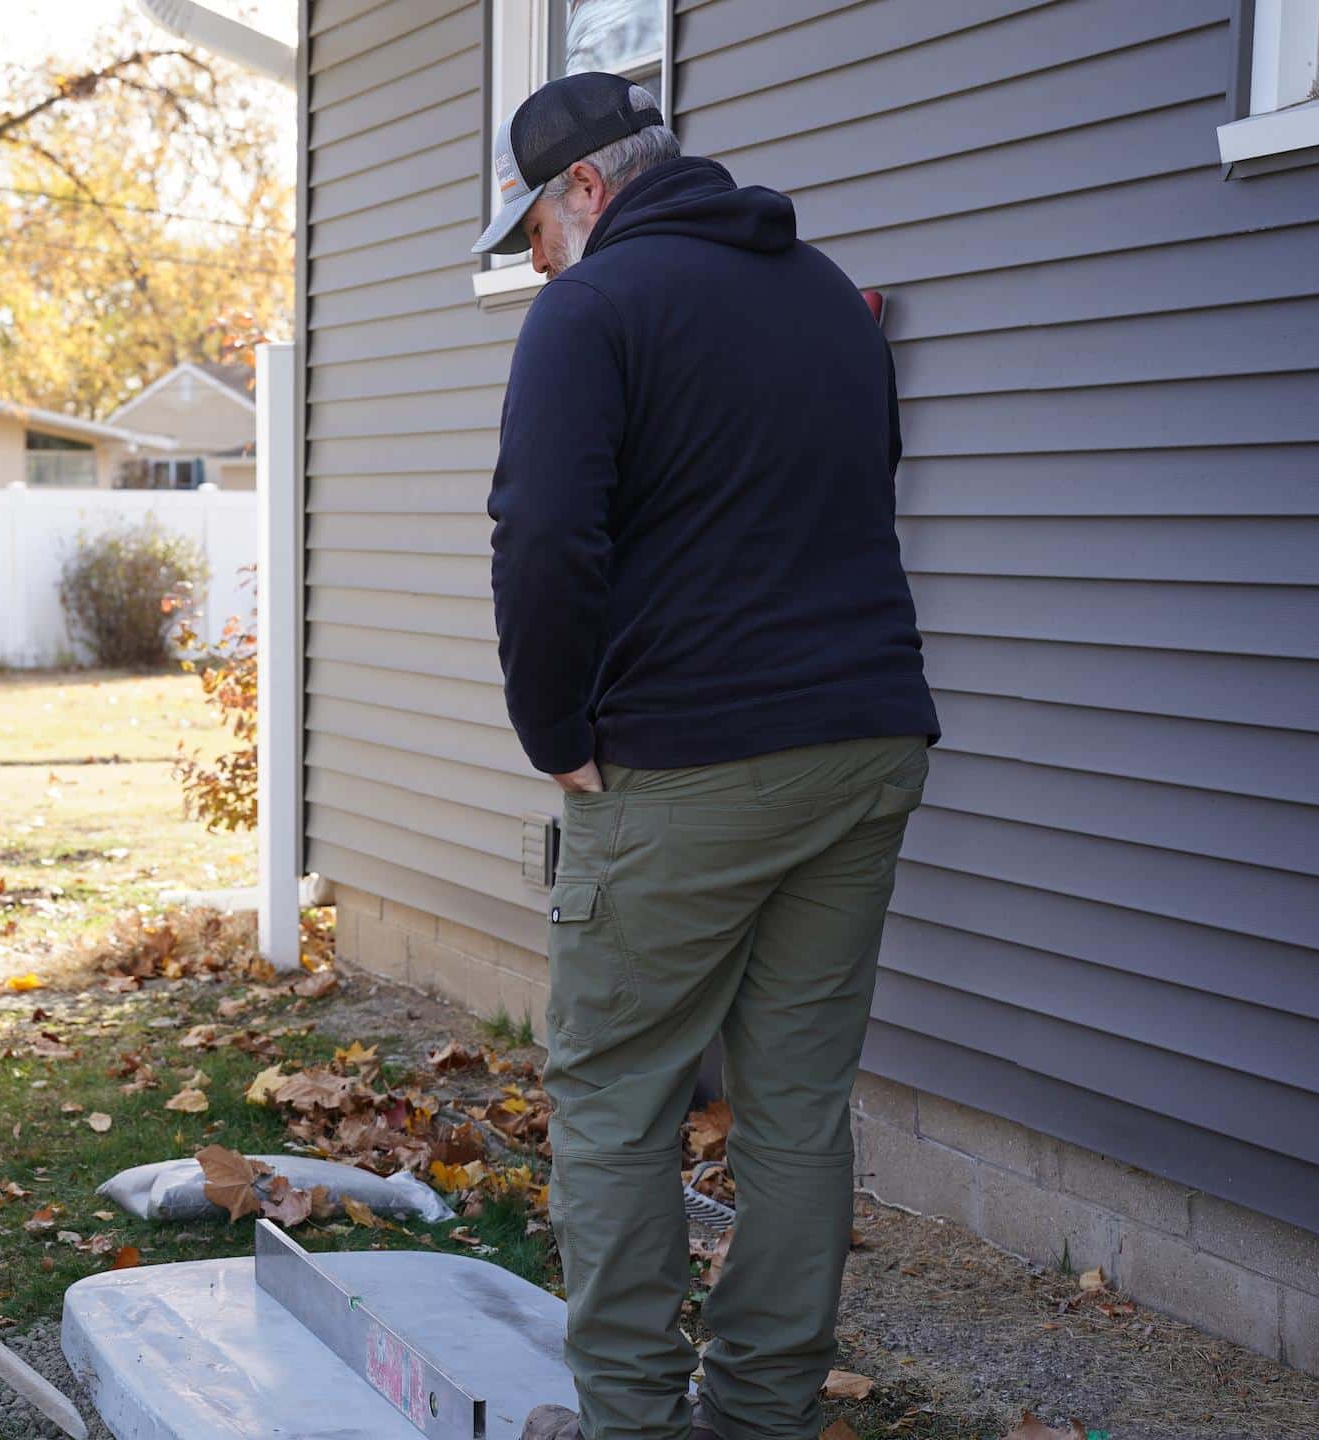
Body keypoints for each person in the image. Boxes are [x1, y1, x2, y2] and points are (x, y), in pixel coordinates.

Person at [475, 73, 941, 1440]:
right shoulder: (822, 294)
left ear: (584, 190)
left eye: (536, 233)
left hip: (687, 761)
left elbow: (542, 542)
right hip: (865, 745)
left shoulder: (593, 309)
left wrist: (552, 733)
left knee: (613, 1098)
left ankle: (629, 1418)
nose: (537, 264)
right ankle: (755, 1417)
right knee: (794, 1106)